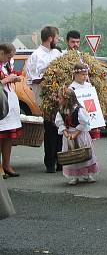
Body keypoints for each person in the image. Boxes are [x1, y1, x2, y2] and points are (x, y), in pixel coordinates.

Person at [25, 26, 62, 173]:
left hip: (60, 97)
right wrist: (48, 76)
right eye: (57, 37)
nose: (58, 40)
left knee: (61, 130)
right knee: (51, 131)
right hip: (46, 98)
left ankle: (62, 161)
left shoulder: (57, 53)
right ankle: (50, 162)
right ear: (50, 38)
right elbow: (31, 79)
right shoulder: (36, 55)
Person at [54, 86, 99, 185]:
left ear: (67, 99)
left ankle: (87, 174)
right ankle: (75, 176)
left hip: (80, 134)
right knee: (71, 155)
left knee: (83, 152)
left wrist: (75, 133)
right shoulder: (61, 111)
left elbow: (84, 123)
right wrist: (66, 133)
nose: (58, 100)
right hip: (69, 135)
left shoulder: (78, 110)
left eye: (60, 98)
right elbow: (60, 124)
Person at [0, 43, 23, 178]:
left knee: (8, 137)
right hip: (1, 104)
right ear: (1, 52)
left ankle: (7, 165)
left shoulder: (6, 65)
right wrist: (8, 79)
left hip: (10, 103)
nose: (9, 60)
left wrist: (13, 77)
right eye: (8, 57)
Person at [69, 62, 101, 142]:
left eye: (86, 74)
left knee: (90, 141)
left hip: (90, 115)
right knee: (81, 140)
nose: (85, 77)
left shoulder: (88, 85)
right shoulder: (72, 88)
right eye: (83, 74)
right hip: (79, 118)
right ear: (76, 74)